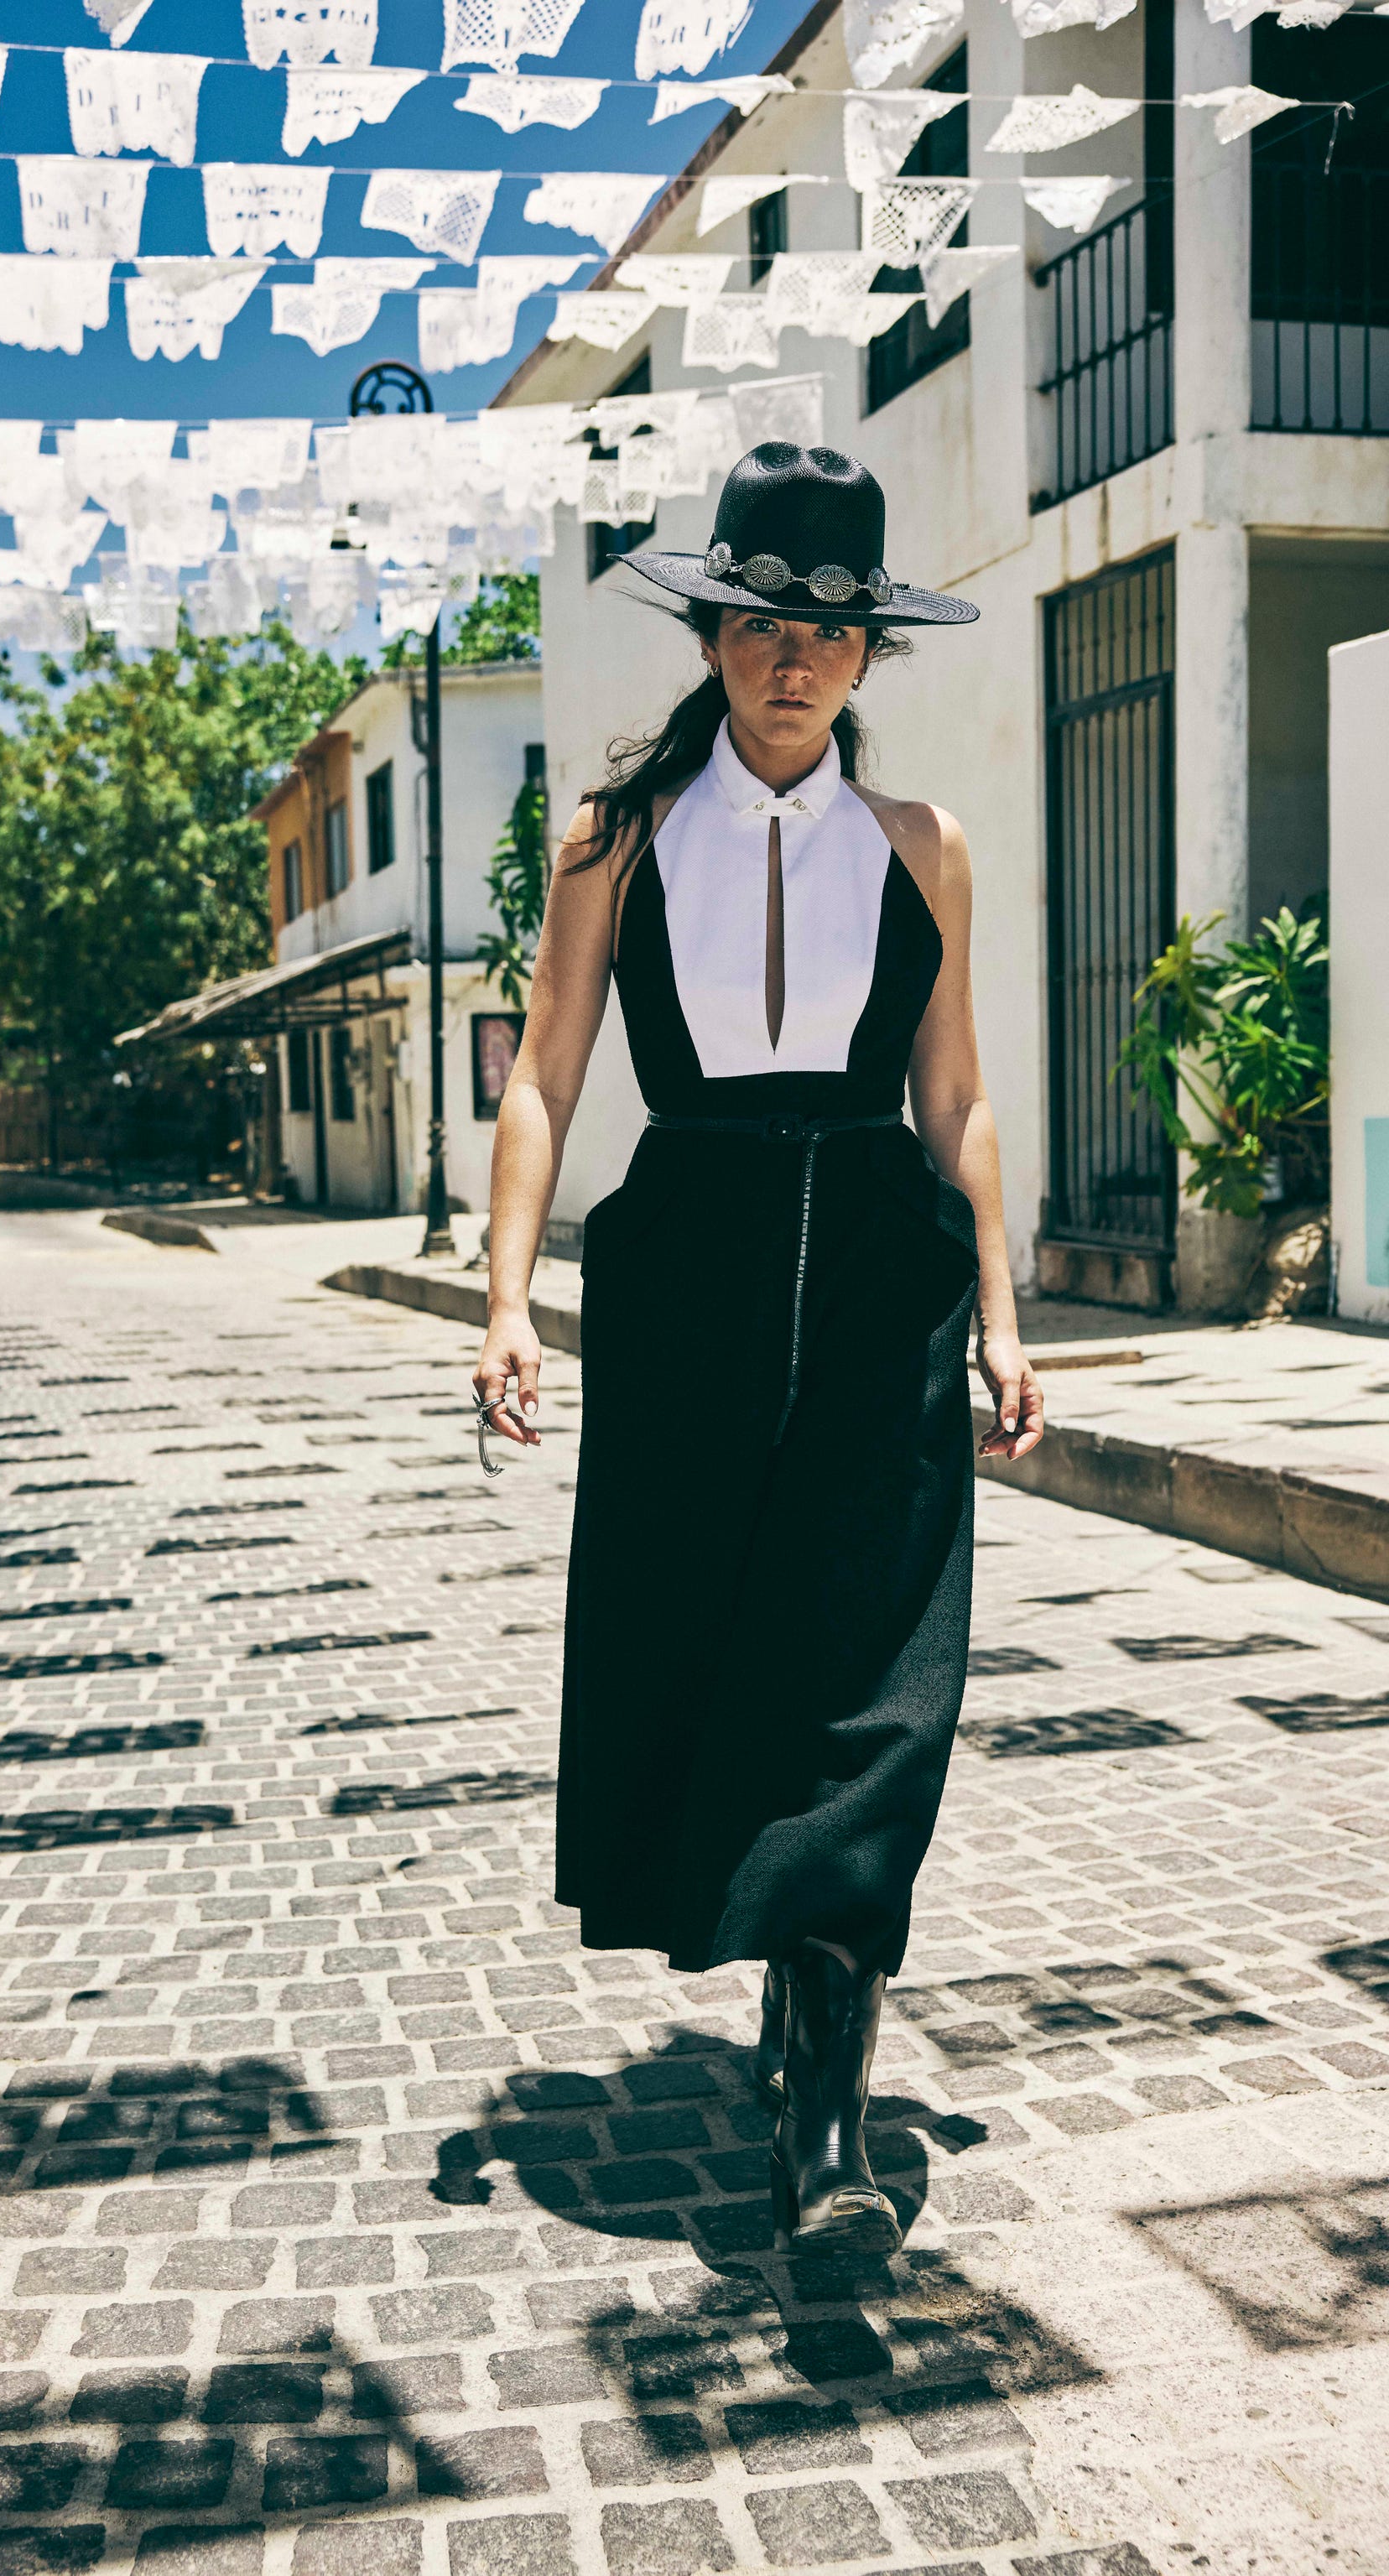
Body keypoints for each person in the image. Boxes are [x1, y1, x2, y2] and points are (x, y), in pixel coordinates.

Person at [471, 444, 1044, 2254]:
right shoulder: (614, 840)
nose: (791, 655)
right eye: (760, 621)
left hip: (881, 1280)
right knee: (711, 1654)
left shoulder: (923, 849)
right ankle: (791, 2046)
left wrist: (1005, 1319)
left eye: (827, 628)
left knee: (876, 1680)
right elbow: (546, 1076)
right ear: (716, 634)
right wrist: (503, 1296)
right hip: (689, 1280)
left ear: (867, 652)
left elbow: (952, 1096)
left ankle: (825, 2115)